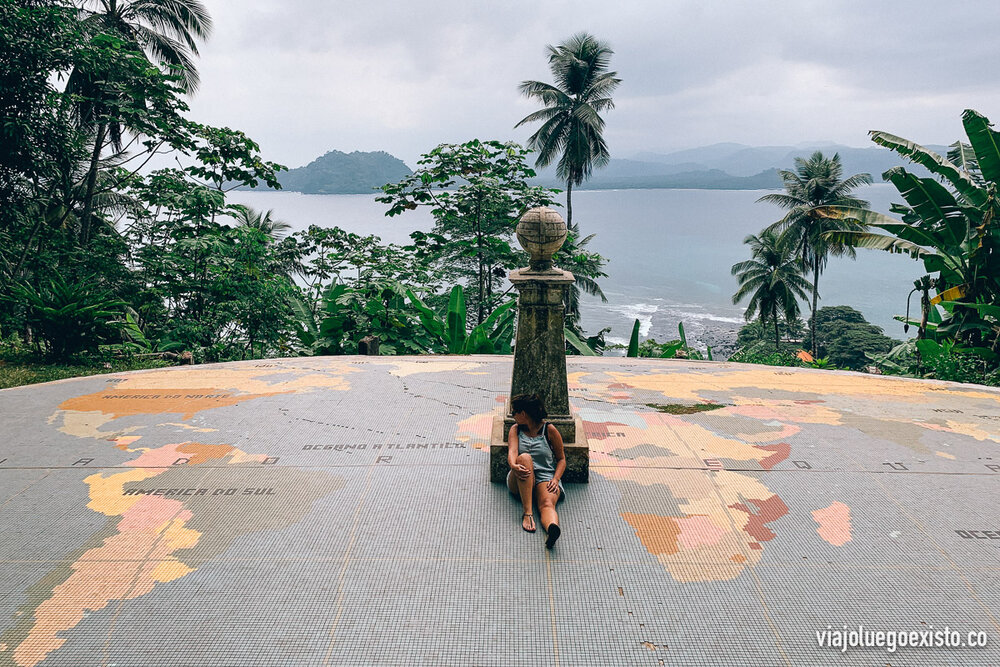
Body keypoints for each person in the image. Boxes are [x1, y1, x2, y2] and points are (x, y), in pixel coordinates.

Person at [507, 393, 565, 549]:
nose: (513, 416)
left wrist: (555, 479)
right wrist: (513, 465)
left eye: (514, 412)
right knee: (525, 457)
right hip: (519, 476)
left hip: (544, 476)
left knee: (547, 503)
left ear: (523, 414)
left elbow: (561, 459)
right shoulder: (515, 429)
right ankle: (528, 513)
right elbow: (512, 452)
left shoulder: (549, 430)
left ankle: (552, 528)